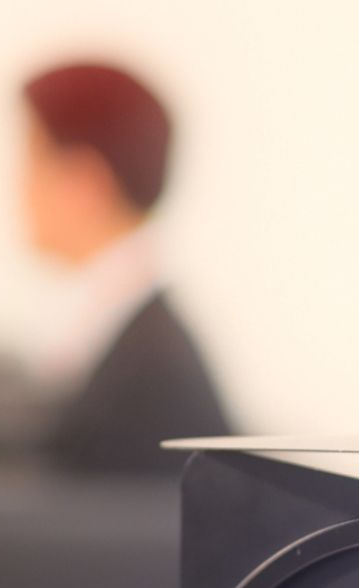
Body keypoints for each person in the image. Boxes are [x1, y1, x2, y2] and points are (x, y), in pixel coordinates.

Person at [20, 62, 229, 469]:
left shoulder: (150, 372)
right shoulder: (125, 332)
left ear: (83, 183)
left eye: (31, 163)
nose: (19, 189)